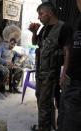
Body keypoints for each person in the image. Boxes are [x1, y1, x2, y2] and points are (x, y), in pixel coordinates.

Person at [28, 2, 72, 131]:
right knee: (42, 102)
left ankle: (44, 127)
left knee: (44, 105)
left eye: (41, 14)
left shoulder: (63, 27)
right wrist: (34, 32)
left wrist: (64, 75)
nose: (39, 17)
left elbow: (68, 52)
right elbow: (35, 43)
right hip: (40, 73)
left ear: (49, 12)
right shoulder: (44, 28)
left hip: (51, 75)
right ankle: (49, 125)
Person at [57, 0, 81, 131]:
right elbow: (68, 51)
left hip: (77, 85)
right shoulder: (74, 21)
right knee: (63, 118)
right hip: (68, 81)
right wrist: (64, 73)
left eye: (41, 13)